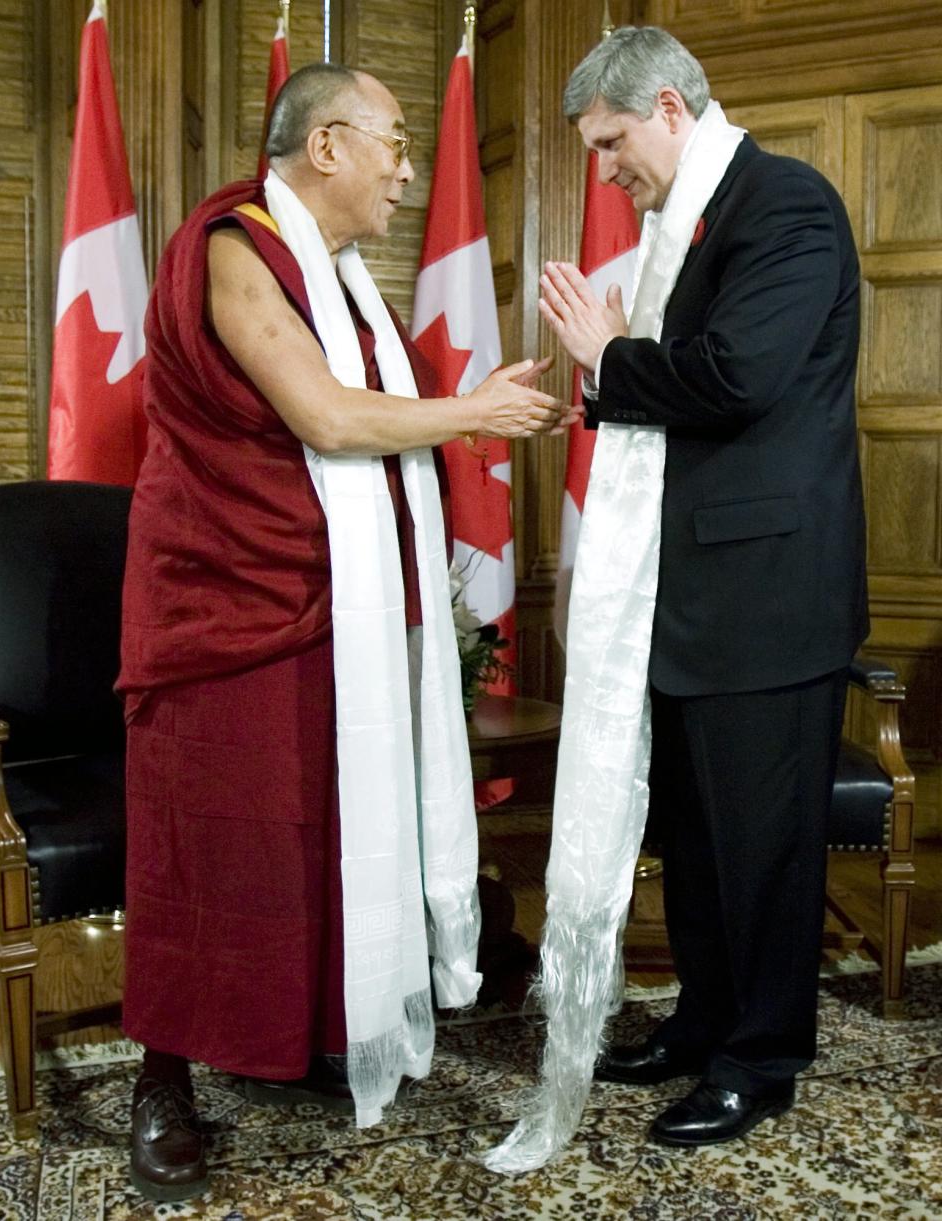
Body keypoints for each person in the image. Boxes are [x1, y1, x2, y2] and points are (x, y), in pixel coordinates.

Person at [117, 62, 574, 1203]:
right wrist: (476, 413)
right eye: (394, 145)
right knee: (211, 839)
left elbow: (372, 433)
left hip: (335, 605)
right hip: (226, 601)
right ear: (327, 145)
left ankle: (300, 1037)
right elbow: (323, 416)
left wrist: (479, 405)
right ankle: (159, 1081)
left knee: (318, 831)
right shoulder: (234, 248)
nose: (409, 171)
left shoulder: (343, 278)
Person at [537, 26, 868, 1149]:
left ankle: (759, 1061)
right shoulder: (688, 221)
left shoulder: (786, 206)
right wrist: (610, 366)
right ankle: (704, 1022)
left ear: (672, 108)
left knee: (762, 848)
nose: (607, 168)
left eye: (614, 140)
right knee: (696, 837)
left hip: (768, 599)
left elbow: (737, 377)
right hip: (682, 602)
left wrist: (608, 357)